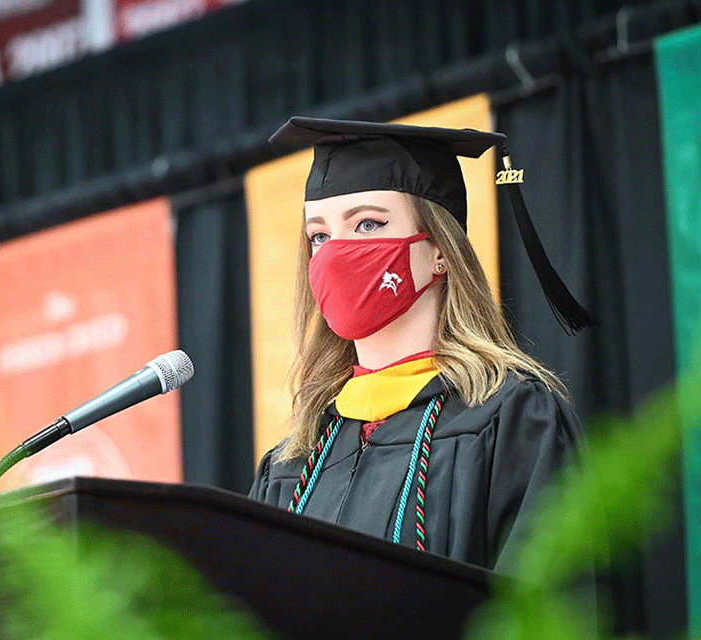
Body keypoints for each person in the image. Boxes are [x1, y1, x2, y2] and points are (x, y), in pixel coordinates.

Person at [248, 116, 595, 573]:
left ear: (440, 252)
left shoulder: (511, 424)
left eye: (368, 224)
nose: (335, 253)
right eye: (319, 236)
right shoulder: (292, 465)